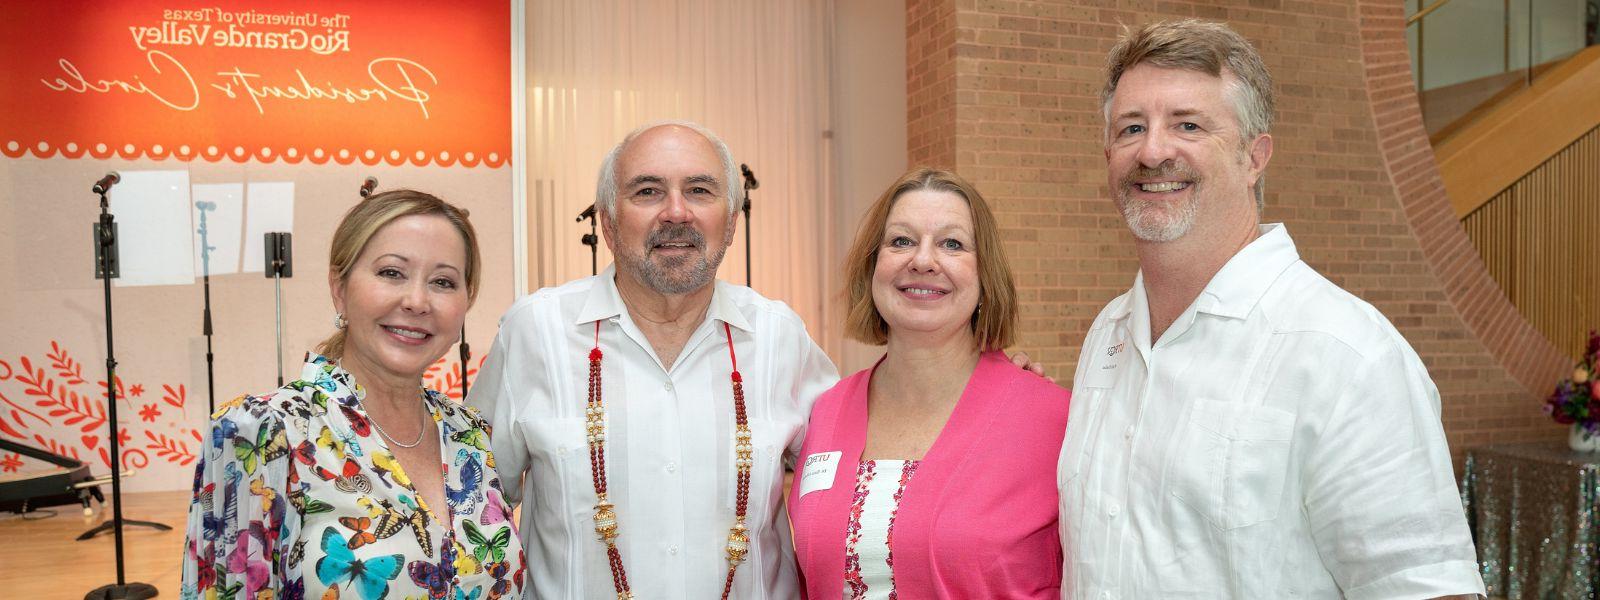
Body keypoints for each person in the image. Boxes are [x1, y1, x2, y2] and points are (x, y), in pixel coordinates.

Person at [1057, 19, 1486, 598]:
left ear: (1254, 157)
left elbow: (1423, 588)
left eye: (1188, 124)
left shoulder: (1346, 355)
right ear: (1109, 152)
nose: (1153, 150)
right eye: (1132, 127)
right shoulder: (1106, 337)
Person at [469, 121, 838, 599]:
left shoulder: (779, 337)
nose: (676, 212)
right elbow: (473, 509)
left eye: (700, 190)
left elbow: (846, 495)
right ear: (607, 221)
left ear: (730, 220)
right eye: (647, 191)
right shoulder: (533, 333)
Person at [181, 190, 525, 600]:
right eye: (391, 273)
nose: (417, 301)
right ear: (339, 288)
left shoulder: (469, 434)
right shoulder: (262, 431)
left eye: (443, 282)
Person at [788, 168, 1069, 598]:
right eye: (901, 240)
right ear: (873, 266)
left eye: (952, 244)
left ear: (985, 275)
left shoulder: (1052, 420)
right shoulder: (826, 411)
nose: (922, 260)